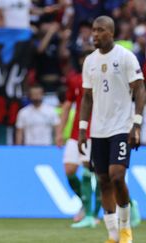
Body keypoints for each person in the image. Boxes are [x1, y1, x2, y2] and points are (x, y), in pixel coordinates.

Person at [78, 16, 145, 243]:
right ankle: (113, 235)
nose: (95, 34)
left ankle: (126, 229)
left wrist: (137, 123)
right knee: (103, 180)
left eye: (100, 30)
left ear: (111, 33)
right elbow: (87, 98)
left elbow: (140, 88)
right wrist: (82, 129)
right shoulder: (90, 61)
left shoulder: (125, 57)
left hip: (121, 127)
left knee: (117, 176)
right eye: (93, 30)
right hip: (98, 130)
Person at [56, 51, 101, 228]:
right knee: (69, 170)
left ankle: (93, 214)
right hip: (76, 133)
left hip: (96, 132)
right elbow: (67, 105)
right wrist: (60, 131)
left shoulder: (102, 79)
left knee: (93, 173)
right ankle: (85, 204)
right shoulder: (75, 79)